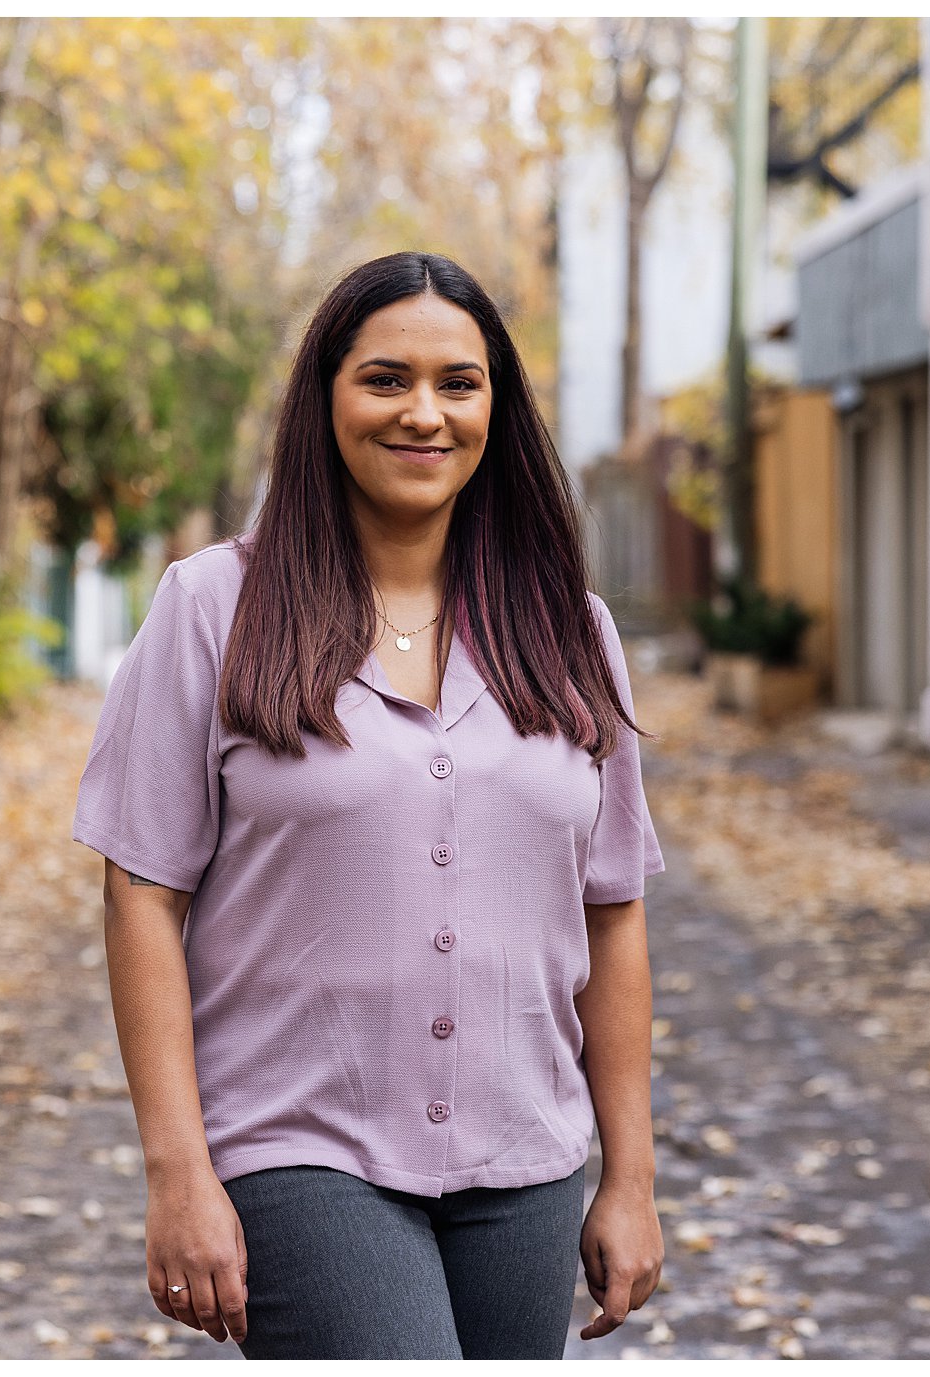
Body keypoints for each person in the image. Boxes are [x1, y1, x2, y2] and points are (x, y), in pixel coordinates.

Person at [72, 250, 667, 1360]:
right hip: (297, 1148)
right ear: (325, 397)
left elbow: (612, 911)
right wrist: (178, 1176)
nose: (424, 414)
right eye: (384, 379)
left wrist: (629, 1177)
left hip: (525, 1162)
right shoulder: (214, 609)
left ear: (495, 407)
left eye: (458, 382)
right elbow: (141, 891)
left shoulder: (569, 632)